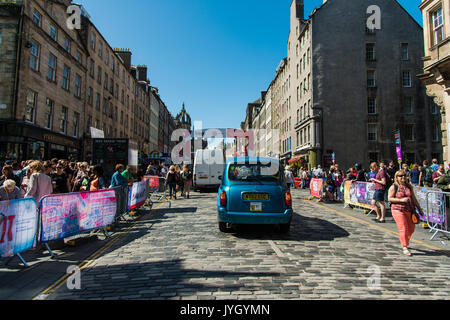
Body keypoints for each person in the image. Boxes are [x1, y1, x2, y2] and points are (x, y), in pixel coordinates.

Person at [388, 170, 424, 256]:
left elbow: (413, 198)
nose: (403, 177)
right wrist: (401, 200)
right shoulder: (394, 187)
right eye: (400, 176)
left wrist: (419, 209)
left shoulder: (409, 186)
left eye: (404, 175)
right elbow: (389, 198)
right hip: (397, 209)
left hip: (409, 210)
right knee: (403, 227)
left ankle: (404, 239)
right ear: (396, 177)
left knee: (411, 228)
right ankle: (405, 246)